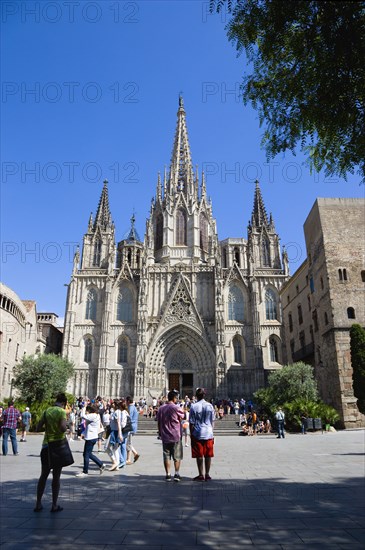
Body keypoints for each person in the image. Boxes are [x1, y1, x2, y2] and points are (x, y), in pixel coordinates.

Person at [34, 393, 72, 512]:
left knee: (43, 475)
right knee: (56, 477)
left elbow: (37, 428)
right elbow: (62, 428)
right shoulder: (61, 412)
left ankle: (38, 503)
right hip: (58, 447)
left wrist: (48, 427)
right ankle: (54, 505)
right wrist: (67, 426)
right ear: (64, 403)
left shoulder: (47, 411)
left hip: (46, 446)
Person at [156, 389, 184, 482]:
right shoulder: (176, 408)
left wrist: (160, 432)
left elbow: (158, 422)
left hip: (165, 435)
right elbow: (183, 417)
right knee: (177, 456)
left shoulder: (161, 408)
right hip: (176, 435)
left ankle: (168, 474)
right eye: (177, 398)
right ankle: (176, 473)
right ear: (174, 398)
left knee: (166, 455)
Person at [189, 387, 215, 481]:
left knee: (199, 455)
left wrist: (191, 434)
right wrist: (211, 432)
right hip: (208, 433)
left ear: (196, 396)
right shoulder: (210, 406)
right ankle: (207, 474)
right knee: (208, 454)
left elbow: (191, 422)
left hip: (197, 432)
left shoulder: (193, 406)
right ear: (204, 395)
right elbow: (212, 421)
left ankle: (201, 475)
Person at [76, 403, 106, 477]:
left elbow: (82, 416)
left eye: (87, 410)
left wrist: (84, 407)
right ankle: (101, 464)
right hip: (93, 437)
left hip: (90, 438)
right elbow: (89, 426)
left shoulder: (93, 415)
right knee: (88, 454)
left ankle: (85, 472)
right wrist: (83, 433)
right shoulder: (97, 415)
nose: (86, 411)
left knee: (86, 454)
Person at [126, 396, 140, 465]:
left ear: (128, 401)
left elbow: (129, 418)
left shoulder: (131, 408)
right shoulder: (133, 407)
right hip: (133, 427)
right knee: (128, 443)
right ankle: (135, 454)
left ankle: (128, 459)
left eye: (126, 401)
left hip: (130, 428)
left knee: (128, 443)